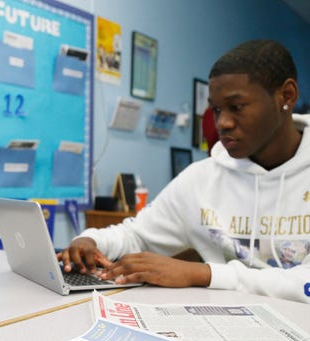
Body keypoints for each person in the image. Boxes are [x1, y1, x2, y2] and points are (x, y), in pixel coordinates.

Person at [58, 39, 310, 304]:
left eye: (237, 107)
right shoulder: (199, 180)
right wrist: (90, 241)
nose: (222, 122)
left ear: (287, 96)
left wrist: (202, 274)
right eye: (216, 109)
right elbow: (138, 235)